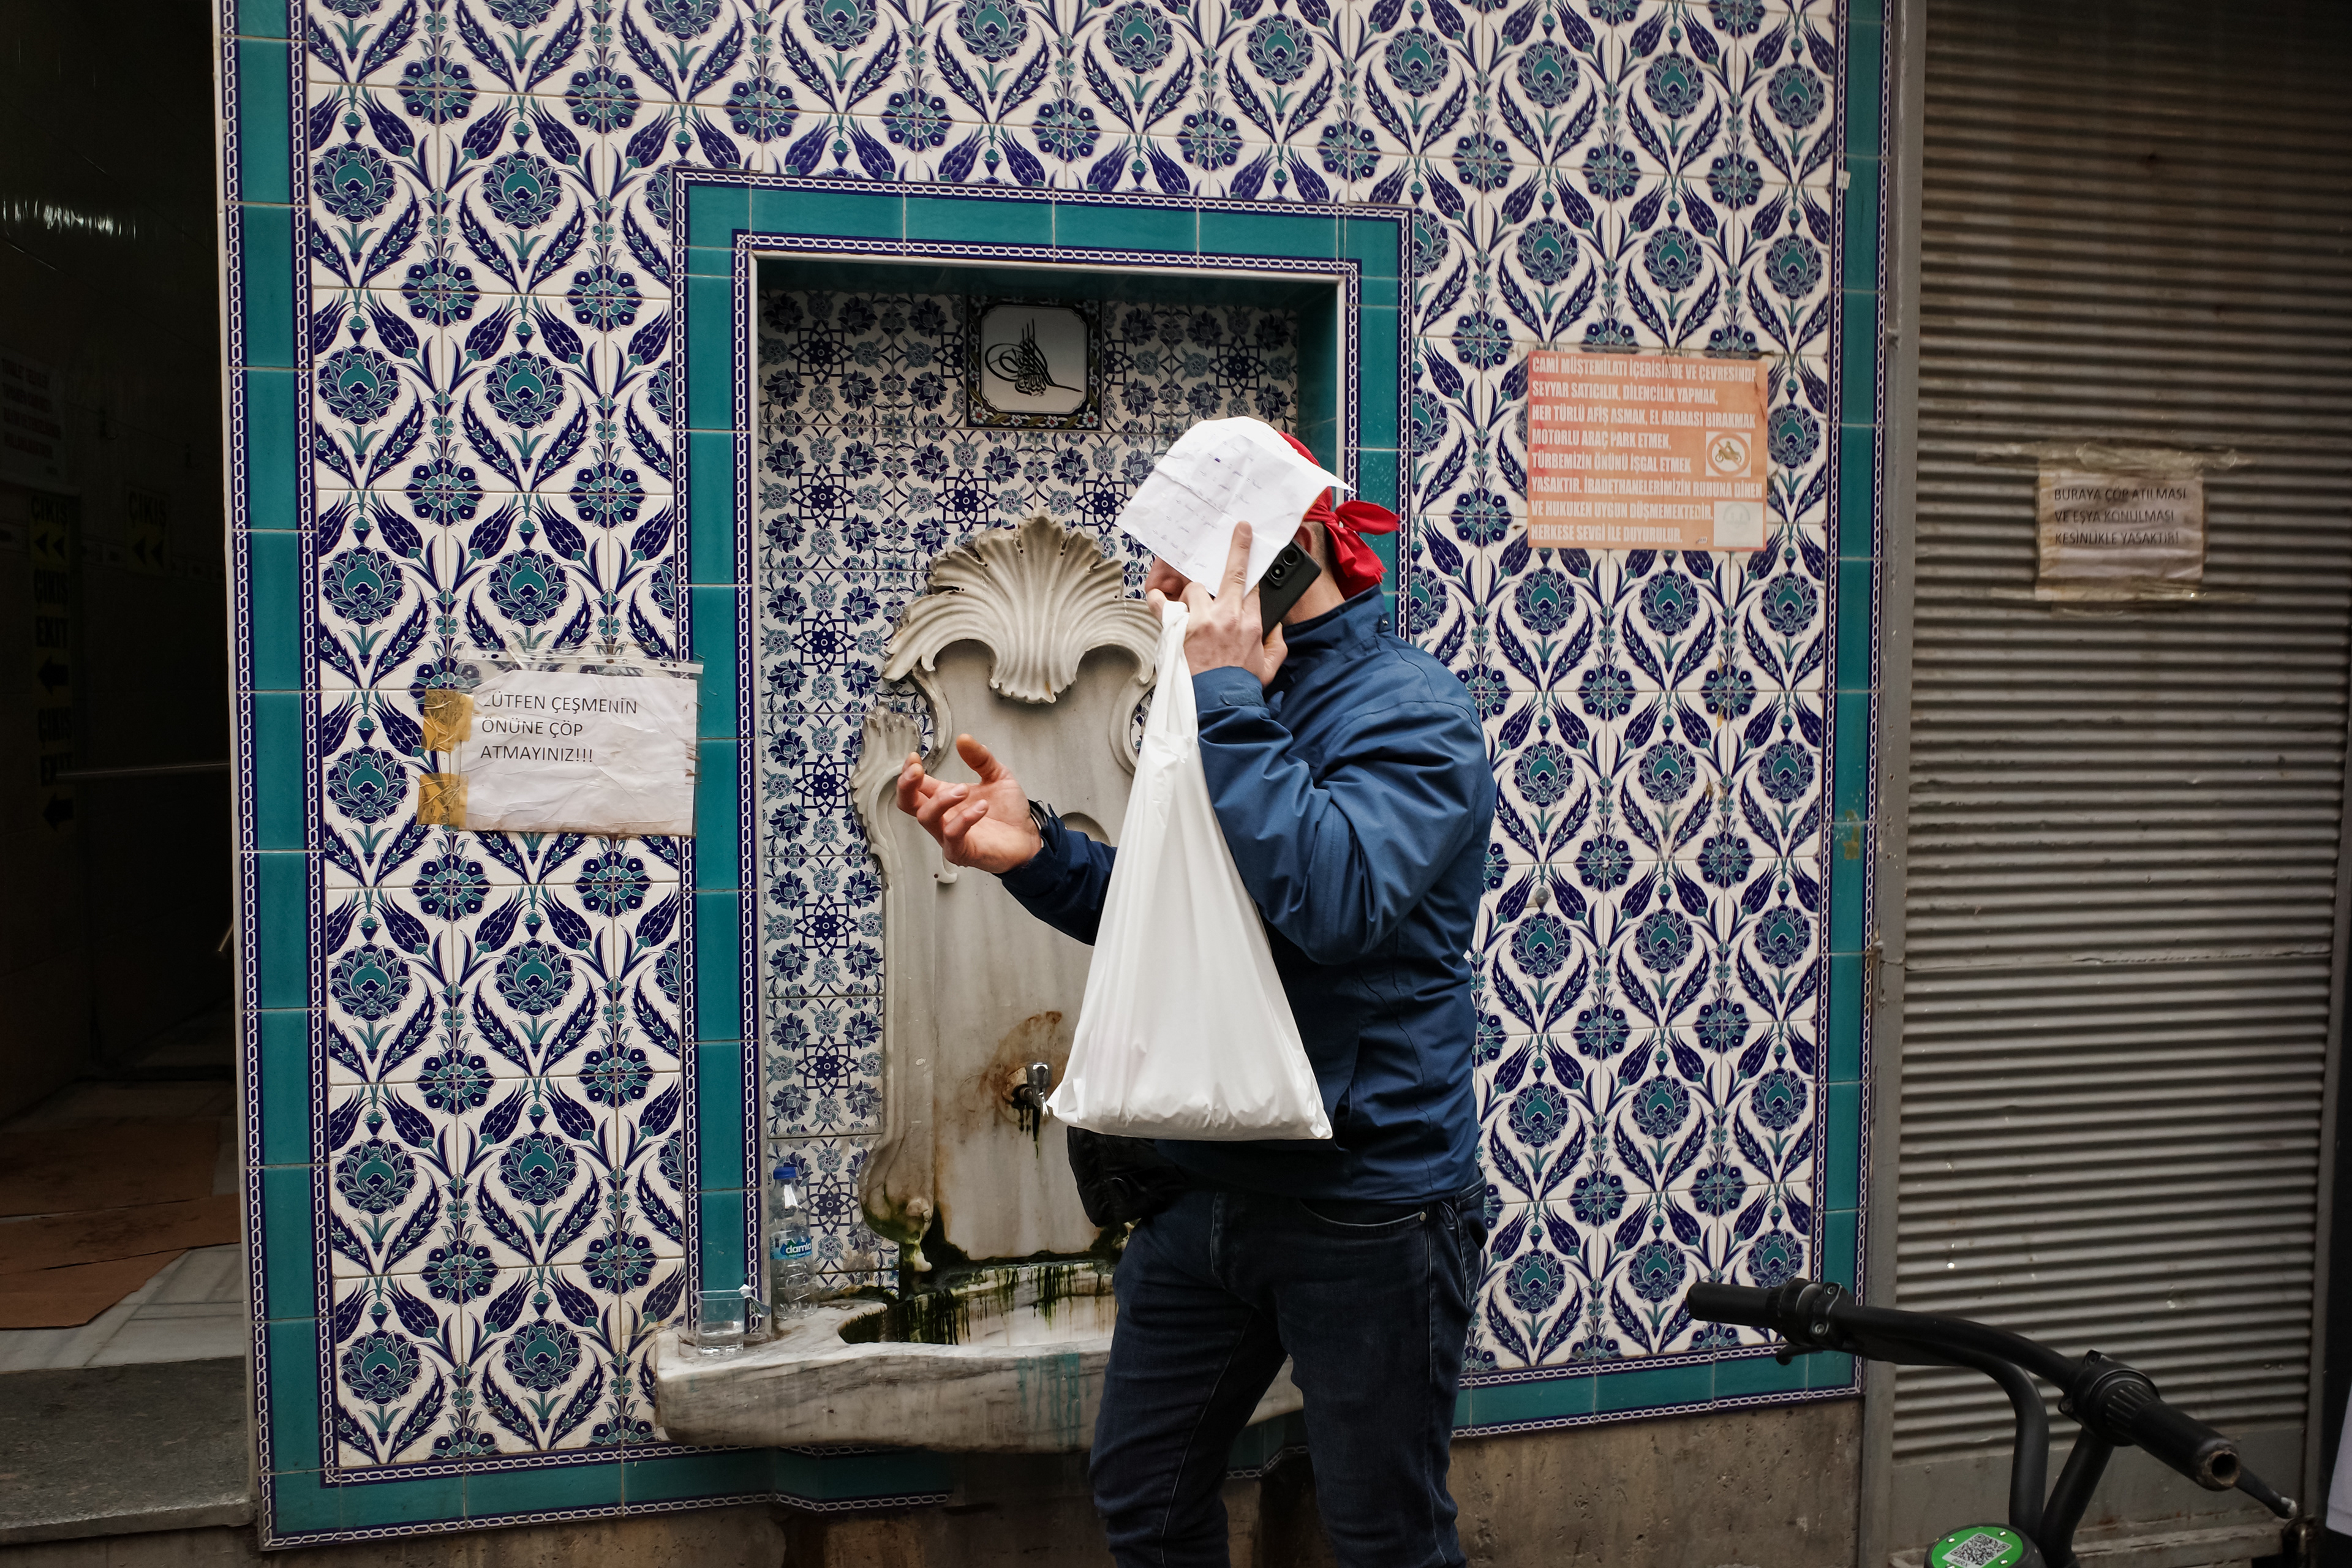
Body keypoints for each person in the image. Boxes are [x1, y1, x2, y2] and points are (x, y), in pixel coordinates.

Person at [893, 432, 1495, 1567]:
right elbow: (1185, 923)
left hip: (1363, 1207)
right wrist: (1038, 855)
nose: (1157, 583)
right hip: (1205, 1194)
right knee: (1144, 1495)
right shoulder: (1222, 700)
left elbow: (1333, 900)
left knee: (1386, 1540)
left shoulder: (1410, 709)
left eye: (1181, 556)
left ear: (1285, 550)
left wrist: (1225, 698)